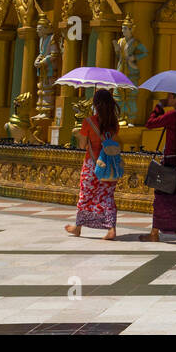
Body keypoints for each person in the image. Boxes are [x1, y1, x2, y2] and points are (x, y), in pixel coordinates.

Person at [141, 92, 176, 244]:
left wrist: (159, 107)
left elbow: (150, 123)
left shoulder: (173, 115)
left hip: (171, 161)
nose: (168, 99)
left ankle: (154, 233)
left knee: (161, 197)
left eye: (170, 97)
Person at [66, 89, 121, 240]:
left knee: (86, 195)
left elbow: (83, 144)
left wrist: (80, 136)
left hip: (92, 165)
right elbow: (111, 142)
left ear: (95, 104)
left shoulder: (88, 122)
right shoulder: (114, 123)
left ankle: (78, 227)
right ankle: (111, 229)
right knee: (107, 196)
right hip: (109, 166)